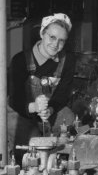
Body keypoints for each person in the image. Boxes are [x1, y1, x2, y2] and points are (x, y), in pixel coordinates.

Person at [8, 13, 76, 145]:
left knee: (69, 120)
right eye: (52, 37)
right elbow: (15, 99)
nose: (55, 44)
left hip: (48, 112)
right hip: (21, 111)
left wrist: (49, 110)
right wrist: (34, 107)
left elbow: (63, 95)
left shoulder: (67, 61)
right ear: (42, 34)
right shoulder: (20, 60)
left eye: (61, 40)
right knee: (32, 144)